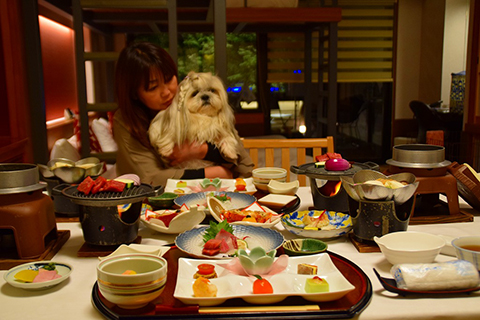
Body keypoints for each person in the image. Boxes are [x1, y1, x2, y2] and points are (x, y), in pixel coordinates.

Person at [113, 41, 253, 186]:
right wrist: (214, 173)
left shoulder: (202, 108)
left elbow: (244, 165)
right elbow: (151, 178)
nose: (167, 92)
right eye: (153, 87)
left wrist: (201, 151)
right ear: (135, 94)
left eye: (169, 80)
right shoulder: (126, 121)